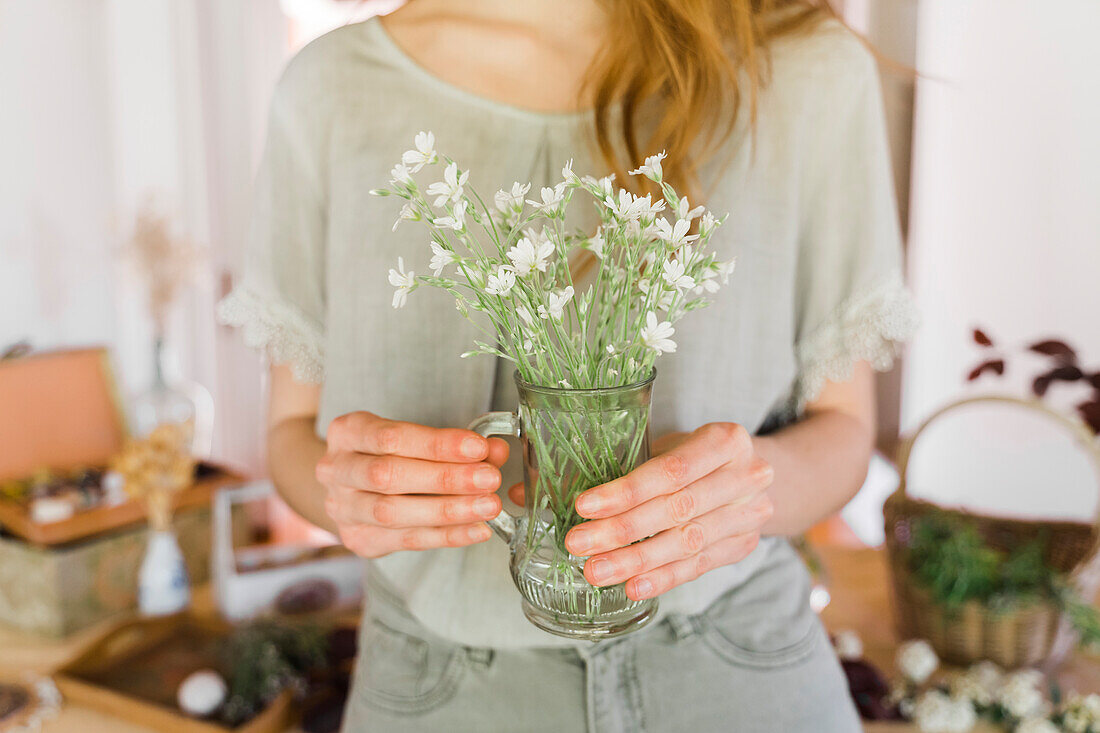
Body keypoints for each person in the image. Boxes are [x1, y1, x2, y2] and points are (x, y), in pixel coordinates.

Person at [219, 0, 917, 730]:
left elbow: (843, 428)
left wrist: (746, 487)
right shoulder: (332, 88)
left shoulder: (803, 67)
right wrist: (352, 493)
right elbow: (293, 432)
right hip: (439, 682)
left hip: (734, 668)